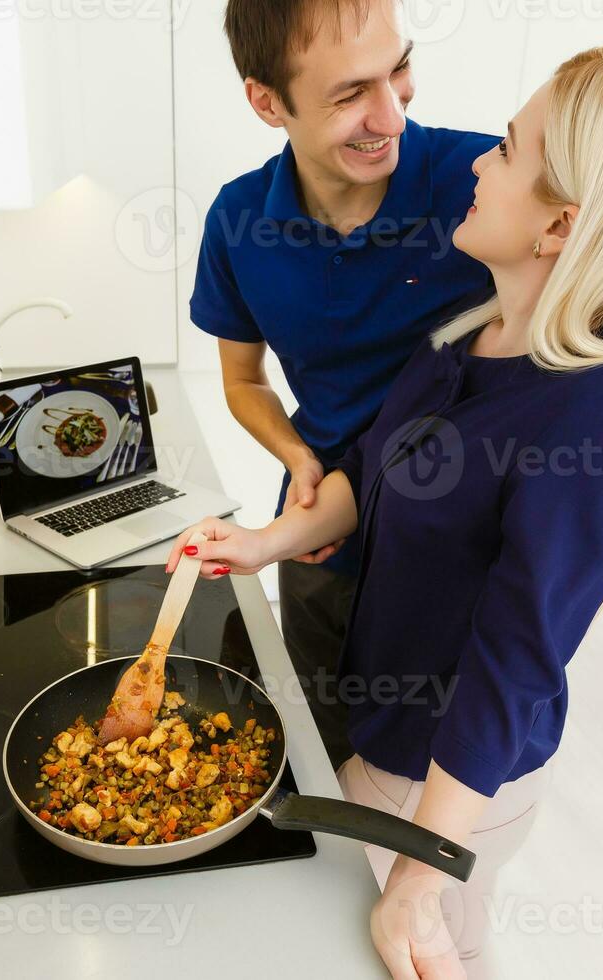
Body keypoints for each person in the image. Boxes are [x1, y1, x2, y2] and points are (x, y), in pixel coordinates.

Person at [171, 44, 603, 978]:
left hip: (439, 779)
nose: (477, 160)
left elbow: (514, 660)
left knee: (432, 952)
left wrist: (423, 874)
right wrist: (267, 539)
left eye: (507, 151)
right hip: (386, 732)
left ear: (559, 224)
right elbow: (368, 467)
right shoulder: (471, 333)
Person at [191, 0, 498, 771]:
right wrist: (296, 456)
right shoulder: (238, 220)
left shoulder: (484, 186)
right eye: (350, 92)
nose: (390, 115)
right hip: (316, 537)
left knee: (430, 770)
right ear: (267, 102)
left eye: (399, 69)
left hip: (448, 549)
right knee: (319, 744)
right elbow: (242, 379)